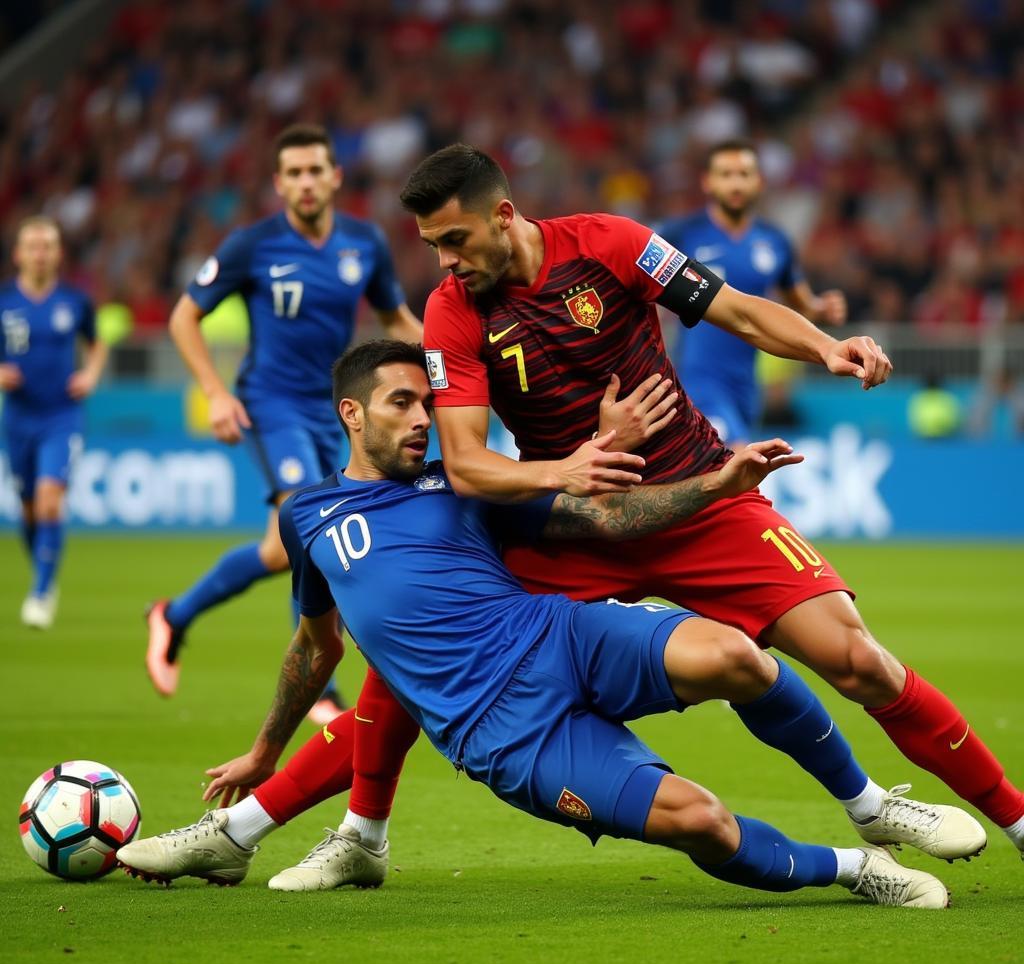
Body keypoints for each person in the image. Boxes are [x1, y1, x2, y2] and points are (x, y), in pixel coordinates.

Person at [118, 341, 960, 909]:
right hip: (504, 733)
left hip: (561, 635)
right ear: (351, 415)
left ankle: (868, 804)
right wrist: (266, 749)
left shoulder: (471, 485)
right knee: (701, 822)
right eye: (402, 404)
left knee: (740, 656)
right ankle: (857, 871)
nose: (422, 419)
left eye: (427, 403)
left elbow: (606, 522)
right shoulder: (308, 517)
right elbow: (315, 645)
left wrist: (716, 485)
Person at [391, 143, 1024, 862]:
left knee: (860, 660)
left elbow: (737, 311)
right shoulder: (452, 313)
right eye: (432, 246)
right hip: (577, 529)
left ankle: (1016, 821)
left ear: (503, 215)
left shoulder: (610, 243)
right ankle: (360, 833)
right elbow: (469, 464)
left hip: (703, 499)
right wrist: (571, 468)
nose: (444, 262)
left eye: (454, 240)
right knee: (421, 642)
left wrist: (823, 347)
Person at [144, 123, 423, 723]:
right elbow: (183, 318)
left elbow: (396, 318)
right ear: (278, 183)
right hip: (272, 405)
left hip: (336, 413)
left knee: (280, 550)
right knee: (309, 526)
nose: (304, 182)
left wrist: (450, 361)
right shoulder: (252, 245)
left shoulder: (364, 244)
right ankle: (321, 687)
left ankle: (172, 615)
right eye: (292, 173)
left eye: (314, 170)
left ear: (334, 176)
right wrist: (215, 393)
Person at [655, 139, 847, 447]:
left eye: (744, 174)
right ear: (708, 182)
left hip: (746, 386)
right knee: (734, 457)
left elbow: (801, 304)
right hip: (699, 379)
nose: (736, 183)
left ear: (758, 182)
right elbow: (639, 285)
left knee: (728, 478)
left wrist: (821, 309)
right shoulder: (681, 234)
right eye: (726, 174)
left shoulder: (774, 242)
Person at [0, 216, 106, 629]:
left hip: (62, 416)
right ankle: (43, 571)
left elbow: (97, 343)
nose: (40, 253)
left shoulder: (74, 301)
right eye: (33, 246)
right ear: (19, 254)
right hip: (19, 418)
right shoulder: (5, 302)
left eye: (47, 245)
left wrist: (91, 375)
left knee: (49, 499)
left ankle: (42, 590)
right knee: (28, 511)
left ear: (58, 253)